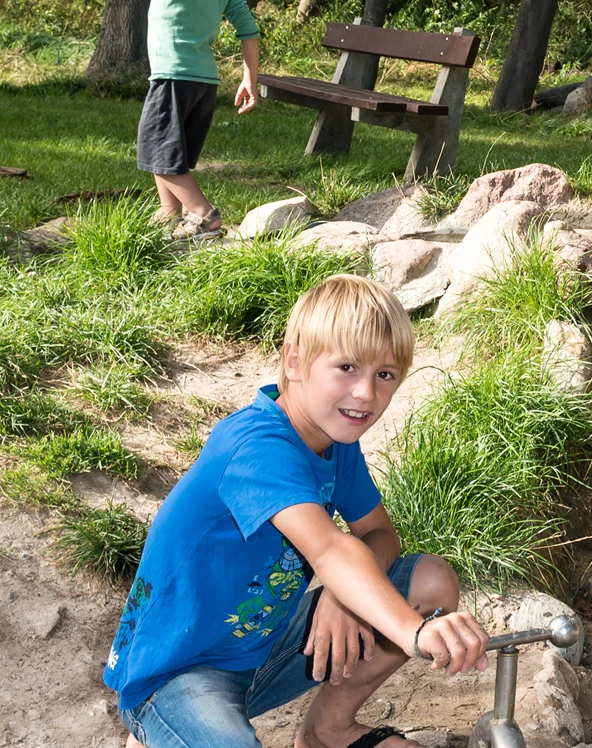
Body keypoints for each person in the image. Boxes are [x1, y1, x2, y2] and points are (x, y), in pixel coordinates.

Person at [104, 274, 490, 748]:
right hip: (178, 671)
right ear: (294, 362)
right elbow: (329, 549)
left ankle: (328, 732)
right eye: (347, 367)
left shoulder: (334, 440)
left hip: (266, 650)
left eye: (385, 374)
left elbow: (380, 536)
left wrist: (340, 595)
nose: (366, 393)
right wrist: (414, 633)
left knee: (428, 580)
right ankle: (157, 732)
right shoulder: (254, 446)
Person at [138, 0, 261, 241]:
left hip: (172, 77)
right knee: (171, 153)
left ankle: (203, 214)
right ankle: (169, 212)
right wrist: (249, 79)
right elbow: (249, 30)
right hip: (205, 82)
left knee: (156, 152)